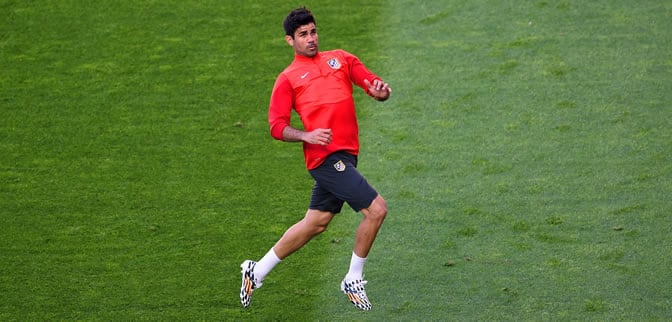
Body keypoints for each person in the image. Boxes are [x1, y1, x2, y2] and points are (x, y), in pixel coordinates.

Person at [240, 7, 391, 311]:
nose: (311, 39)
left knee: (317, 222)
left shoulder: (341, 58)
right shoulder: (287, 78)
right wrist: (305, 136)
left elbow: (370, 83)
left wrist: (380, 91)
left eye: (313, 32)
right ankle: (353, 278)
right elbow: (276, 126)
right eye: (303, 35)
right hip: (324, 157)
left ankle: (256, 271)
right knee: (376, 210)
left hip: (347, 154)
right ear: (289, 40)